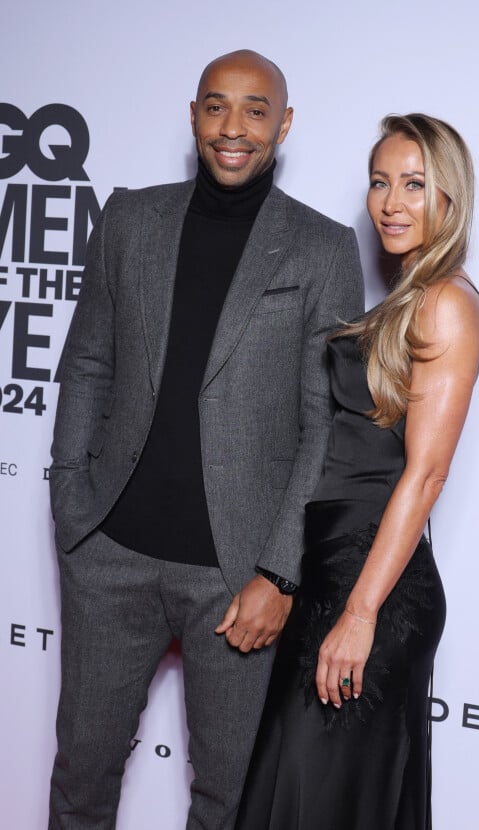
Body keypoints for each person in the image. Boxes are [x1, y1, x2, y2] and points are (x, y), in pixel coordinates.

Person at [48, 49, 363, 830]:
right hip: (110, 556)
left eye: (256, 110)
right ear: (193, 115)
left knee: (227, 796)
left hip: (237, 578)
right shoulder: (130, 218)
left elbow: (325, 421)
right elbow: (88, 362)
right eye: (216, 106)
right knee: (81, 775)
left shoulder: (322, 247)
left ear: (283, 125)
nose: (233, 127)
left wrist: (279, 574)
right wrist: (69, 502)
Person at [234, 113, 479, 830]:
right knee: (305, 798)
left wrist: (360, 613)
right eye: (380, 182)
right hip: (334, 572)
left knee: (322, 801)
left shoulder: (446, 303)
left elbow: (427, 473)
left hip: (371, 583)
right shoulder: (408, 299)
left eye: (415, 184)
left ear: (449, 199)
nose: (391, 202)